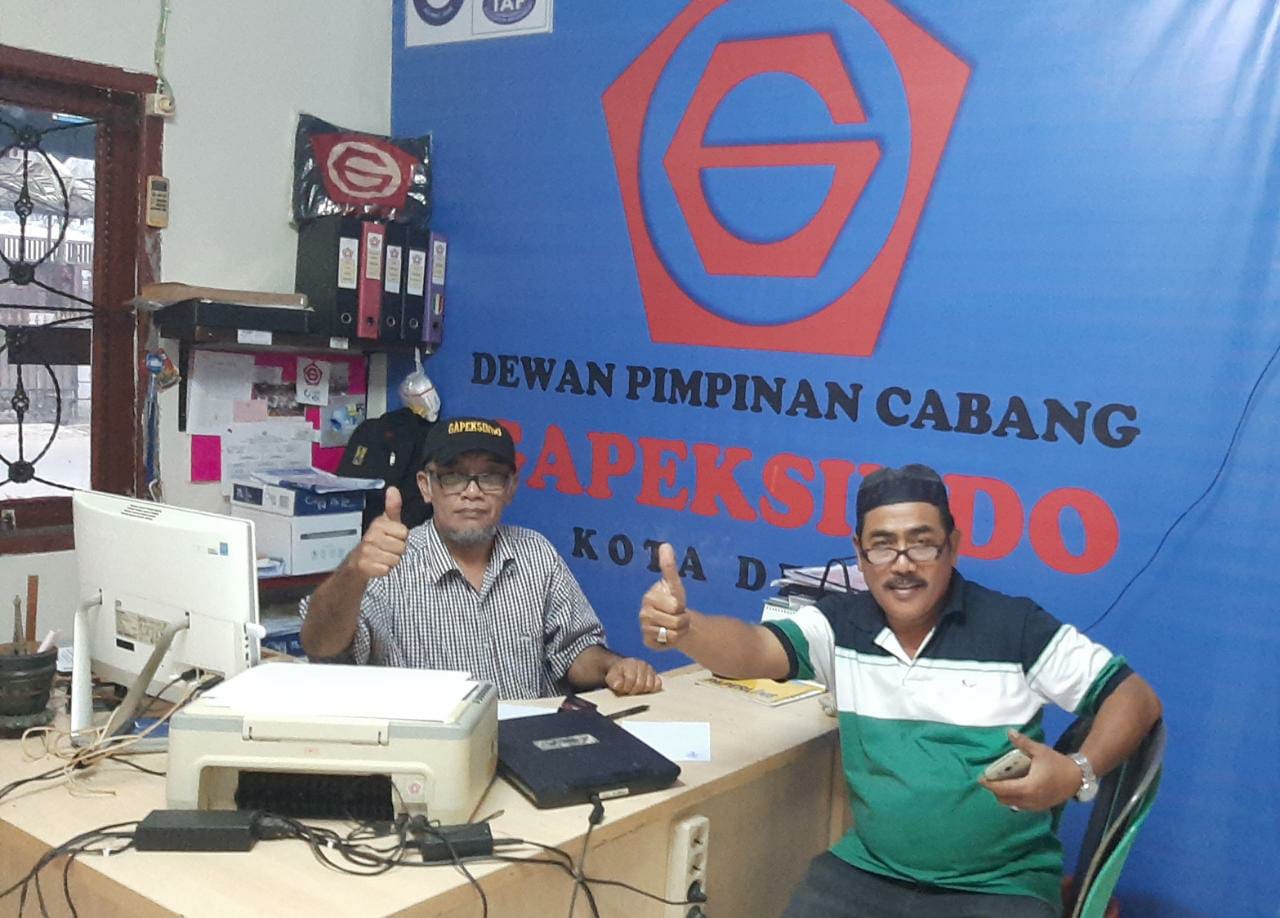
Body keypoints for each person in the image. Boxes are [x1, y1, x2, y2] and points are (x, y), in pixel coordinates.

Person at [638, 464, 1162, 917]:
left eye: (922, 542)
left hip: (1000, 885)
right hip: (869, 871)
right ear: (859, 554)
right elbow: (755, 649)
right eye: (882, 545)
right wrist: (688, 629)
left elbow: (1135, 697)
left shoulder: (1015, 628)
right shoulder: (841, 625)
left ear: (953, 546)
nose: (903, 562)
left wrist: (1077, 771)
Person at [302, 416, 661, 699]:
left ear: (510, 488)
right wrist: (353, 570)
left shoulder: (536, 553)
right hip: (437, 749)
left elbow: (575, 652)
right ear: (426, 486)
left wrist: (616, 667)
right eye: (453, 477)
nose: (471, 492)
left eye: (489, 477)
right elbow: (321, 648)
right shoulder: (386, 564)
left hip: (531, 742)